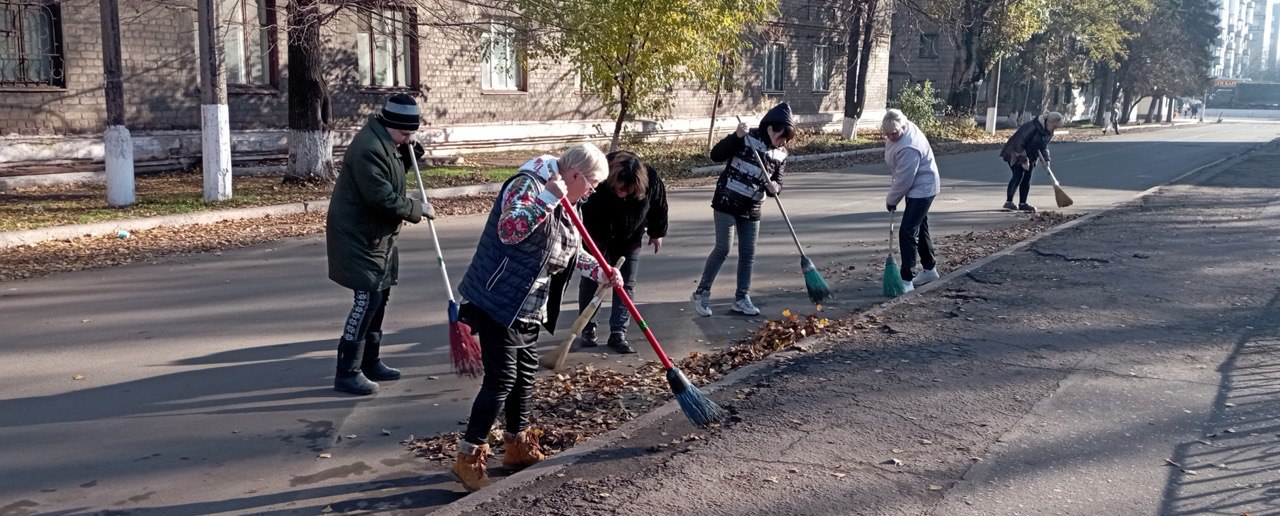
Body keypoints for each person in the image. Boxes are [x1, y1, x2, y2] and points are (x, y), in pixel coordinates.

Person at [450, 143, 621, 492]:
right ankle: (467, 457)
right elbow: (509, 230)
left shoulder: (572, 201)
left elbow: (568, 253)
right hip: (498, 298)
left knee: (524, 377)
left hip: (529, 304)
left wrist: (599, 271)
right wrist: (546, 199)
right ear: (575, 175)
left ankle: (517, 446)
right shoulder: (527, 184)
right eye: (592, 184)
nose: (592, 192)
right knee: (501, 380)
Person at [326, 93, 434, 396]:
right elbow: (382, 196)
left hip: (376, 234)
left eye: (412, 133)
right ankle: (347, 371)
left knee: (381, 295)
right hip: (358, 235)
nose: (408, 138)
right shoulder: (368, 148)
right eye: (404, 133)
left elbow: (394, 172)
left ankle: (370, 361)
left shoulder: (387, 141)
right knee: (367, 299)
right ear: (389, 124)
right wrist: (416, 208)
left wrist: (411, 150)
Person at [690, 102, 793, 317]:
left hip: (752, 207)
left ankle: (741, 298)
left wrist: (776, 187)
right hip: (727, 201)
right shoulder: (746, 137)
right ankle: (701, 293)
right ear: (771, 128)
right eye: (782, 136)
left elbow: (778, 182)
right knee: (723, 249)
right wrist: (735, 137)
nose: (783, 142)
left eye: (786, 139)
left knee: (748, 254)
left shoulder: (781, 154)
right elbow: (716, 155)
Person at [577, 150, 669, 354]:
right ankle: (588, 328)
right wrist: (593, 249)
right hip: (596, 236)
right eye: (620, 189)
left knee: (625, 284)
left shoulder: (650, 178)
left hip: (629, 238)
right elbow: (584, 209)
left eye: (629, 191)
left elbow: (659, 205)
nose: (624, 193)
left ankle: (618, 333)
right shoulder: (600, 176)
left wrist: (656, 232)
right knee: (592, 282)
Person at [882, 109, 941, 294]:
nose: (891, 137)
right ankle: (930, 269)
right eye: (887, 134)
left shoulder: (909, 146)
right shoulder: (899, 129)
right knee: (920, 226)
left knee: (907, 231)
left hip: (923, 188)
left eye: (894, 133)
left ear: (904, 126)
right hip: (916, 186)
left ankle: (907, 279)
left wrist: (891, 200)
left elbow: (904, 180)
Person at [999, 111, 1063, 212]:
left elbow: (1043, 146)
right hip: (1015, 153)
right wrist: (1023, 160)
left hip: (1031, 155)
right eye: (1055, 126)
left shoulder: (1049, 131)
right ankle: (1009, 202)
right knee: (1018, 175)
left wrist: (1046, 159)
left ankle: (1023, 204)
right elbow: (1019, 143)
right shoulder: (1032, 127)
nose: (1055, 129)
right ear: (1049, 122)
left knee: (1027, 177)